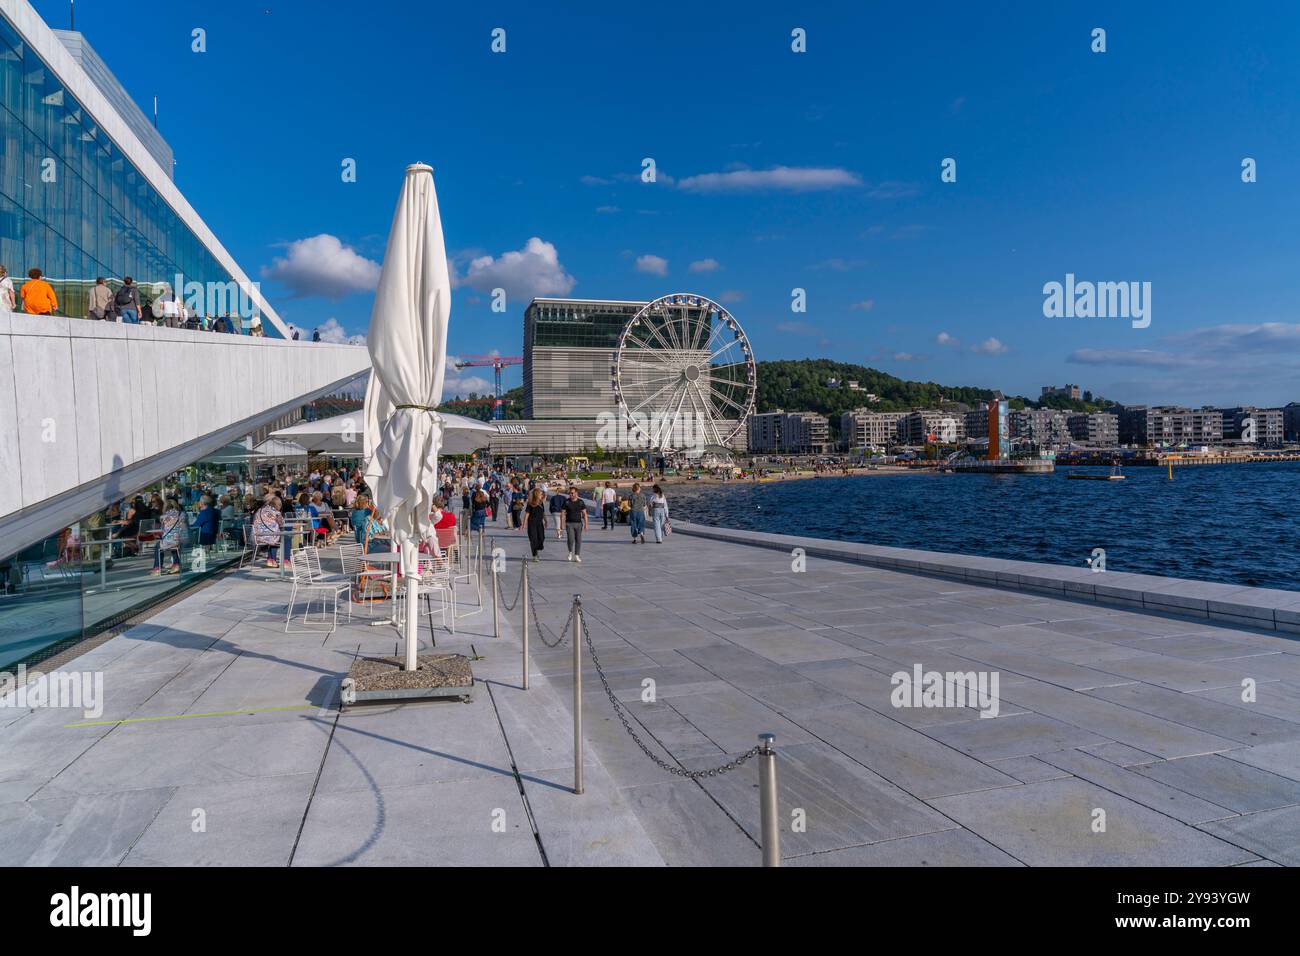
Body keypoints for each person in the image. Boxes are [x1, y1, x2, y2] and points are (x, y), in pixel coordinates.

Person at [150, 498, 188, 575]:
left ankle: (157, 568)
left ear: (165, 507)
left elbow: (163, 530)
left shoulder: (163, 517)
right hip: (182, 540)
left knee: (158, 546)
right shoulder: (183, 514)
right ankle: (176, 564)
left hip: (170, 541)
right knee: (174, 545)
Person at [253, 497, 286, 567]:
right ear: (278, 505)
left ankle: (270, 560)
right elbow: (282, 523)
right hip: (269, 537)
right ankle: (285, 561)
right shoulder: (276, 512)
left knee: (273, 537)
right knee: (286, 538)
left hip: (258, 536)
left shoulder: (260, 510)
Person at [561, 485, 588, 563]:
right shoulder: (566, 502)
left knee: (578, 540)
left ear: (576, 493)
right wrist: (562, 524)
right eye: (570, 493)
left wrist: (586, 524)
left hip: (578, 524)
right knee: (570, 539)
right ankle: (570, 552)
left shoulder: (580, 502)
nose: (571, 495)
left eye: (572, 493)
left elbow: (585, 514)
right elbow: (562, 513)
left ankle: (577, 555)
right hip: (569, 523)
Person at [522, 488, 546, 561]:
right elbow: (527, 514)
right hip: (532, 523)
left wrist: (546, 521)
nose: (542, 495)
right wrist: (524, 524)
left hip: (539, 523)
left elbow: (543, 513)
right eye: (540, 494)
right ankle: (535, 555)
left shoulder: (541, 503)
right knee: (533, 539)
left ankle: (538, 548)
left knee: (542, 538)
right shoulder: (530, 504)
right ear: (537, 494)